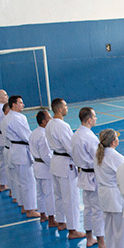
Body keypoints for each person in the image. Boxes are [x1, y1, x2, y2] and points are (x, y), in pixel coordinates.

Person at [45, 98, 85, 239]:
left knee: (59, 196)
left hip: (55, 161)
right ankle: (73, 230)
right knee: (71, 198)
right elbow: (70, 147)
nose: (67, 108)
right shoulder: (62, 126)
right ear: (60, 109)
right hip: (65, 163)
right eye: (66, 106)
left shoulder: (49, 124)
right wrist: (79, 163)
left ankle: (61, 222)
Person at [71, 107, 107, 248]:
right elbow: (98, 157)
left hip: (83, 174)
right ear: (89, 120)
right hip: (92, 175)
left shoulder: (76, 134)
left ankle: (89, 237)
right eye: (95, 117)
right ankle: (102, 243)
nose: (96, 119)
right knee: (97, 210)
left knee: (88, 208)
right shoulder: (89, 137)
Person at [94, 129, 124, 248]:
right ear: (113, 142)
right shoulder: (116, 157)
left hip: (103, 194)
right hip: (114, 194)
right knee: (120, 229)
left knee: (108, 227)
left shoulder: (98, 155)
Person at [3, 95, 40, 218]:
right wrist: (36, 142)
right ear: (14, 104)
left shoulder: (8, 117)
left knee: (20, 181)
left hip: (16, 150)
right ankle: (30, 209)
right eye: (20, 103)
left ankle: (24, 205)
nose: (23, 105)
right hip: (21, 151)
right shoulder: (16, 118)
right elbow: (26, 135)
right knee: (28, 182)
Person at [29, 110, 57, 227]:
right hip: (45, 167)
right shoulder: (44, 135)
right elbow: (46, 156)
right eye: (49, 119)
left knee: (40, 193)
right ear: (44, 122)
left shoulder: (33, 133)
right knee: (49, 194)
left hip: (37, 165)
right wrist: (55, 166)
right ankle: (51, 219)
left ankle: (43, 215)